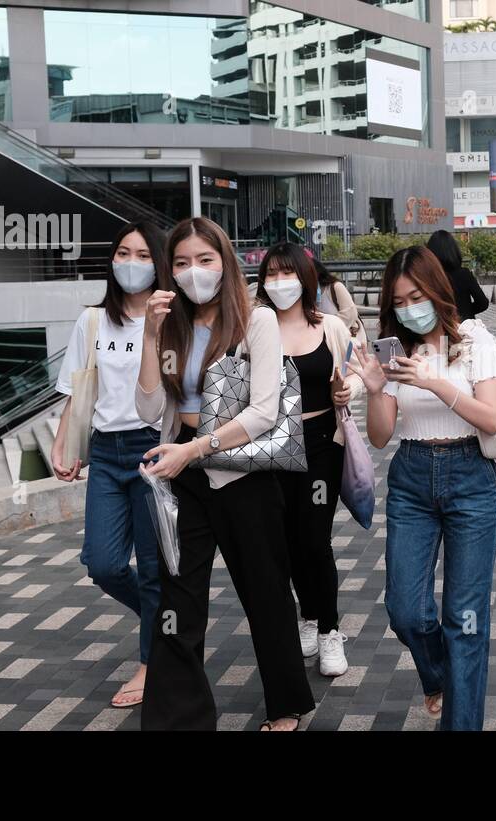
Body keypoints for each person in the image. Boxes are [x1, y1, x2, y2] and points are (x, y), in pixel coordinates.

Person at [137, 216, 314, 731]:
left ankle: (287, 706)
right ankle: (178, 718)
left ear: (226, 261)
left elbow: (264, 411)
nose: (195, 272)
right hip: (184, 478)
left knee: (265, 592)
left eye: (205, 260)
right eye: (183, 263)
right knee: (178, 598)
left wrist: (194, 449)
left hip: (242, 478)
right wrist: (149, 336)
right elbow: (149, 408)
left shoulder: (255, 322)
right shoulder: (168, 324)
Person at [347, 246, 496, 731]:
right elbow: (379, 436)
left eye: (416, 295)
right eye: (398, 301)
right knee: (406, 611)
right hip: (412, 477)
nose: (409, 308)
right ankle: (440, 677)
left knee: (465, 620)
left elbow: (491, 418)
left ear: (437, 290)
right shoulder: (394, 350)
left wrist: (437, 383)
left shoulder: (475, 339)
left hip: (471, 477)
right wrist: (376, 390)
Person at [51, 221, 166, 710]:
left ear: (159, 263)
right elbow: (79, 388)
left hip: (153, 450)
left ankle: (151, 661)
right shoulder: (93, 320)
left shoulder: (171, 317)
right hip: (105, 450)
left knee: (156, 566)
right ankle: (167, 622)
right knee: (102, 563)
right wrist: (65, 442)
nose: (132, 263)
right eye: (123, 252)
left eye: (143, 255)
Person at [254, 242, 363, 677]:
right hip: (270, 444)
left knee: (314, 539)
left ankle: (330, 629)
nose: (280, 282)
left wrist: (347, 391)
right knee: (283, 541)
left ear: (306, 278)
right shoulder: (252, 328)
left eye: (289, 273)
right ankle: (307, 617)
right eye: (272, 274)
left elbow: (355, 371)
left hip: (321, 441)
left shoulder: (330, 327)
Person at [426, 229, 489, 320]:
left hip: (438, 328)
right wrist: (465, 311)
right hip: (463, 328)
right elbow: (483, 303)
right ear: (454, 251)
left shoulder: (427, 277)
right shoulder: (464, 274)